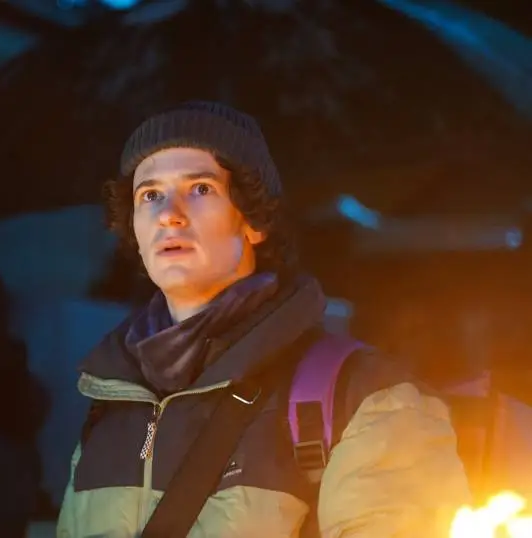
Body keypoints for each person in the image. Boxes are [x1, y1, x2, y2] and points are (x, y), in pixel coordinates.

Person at [58, 101, 470, 537]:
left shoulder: (367, 395)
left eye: (201, 188)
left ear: (254, 221)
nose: (168, 214)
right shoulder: (111, 402)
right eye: (150, 195)